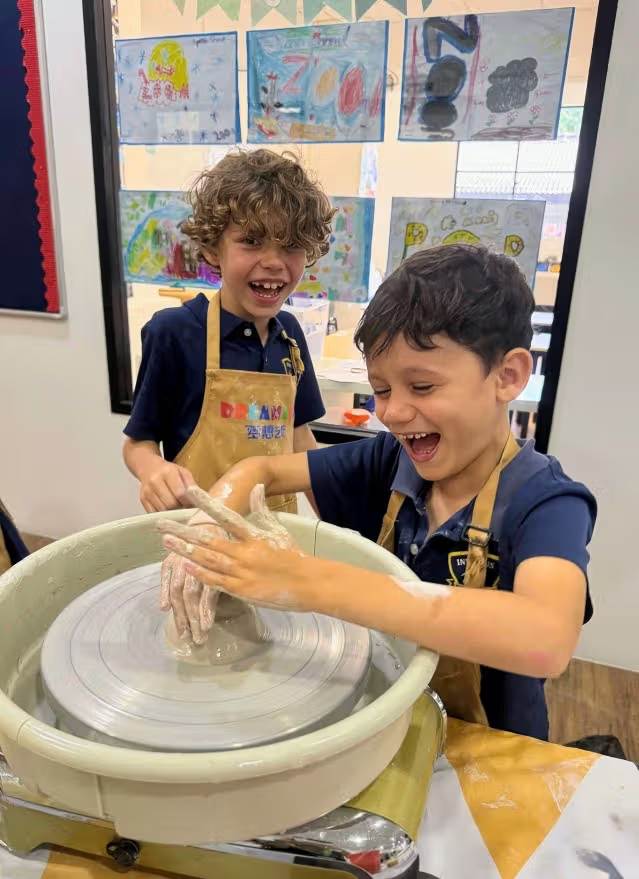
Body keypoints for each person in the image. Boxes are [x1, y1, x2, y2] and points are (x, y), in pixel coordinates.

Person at [158, 244, 597, 740]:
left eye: (423, 387)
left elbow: (547, 638)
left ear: (508, 376)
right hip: (389, 722)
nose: (392, 413)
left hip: (492, 746)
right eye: (382, 389)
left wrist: (308, 582)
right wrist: (209, 520)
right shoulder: (386, 459)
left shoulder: (547, 502)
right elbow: (261, 469)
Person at [123, 148, 333, 517]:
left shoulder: (290, 335)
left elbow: (300, 439)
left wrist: (336, 523)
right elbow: (137, 444)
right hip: (198, 532)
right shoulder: (174, 333)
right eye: (251, 241)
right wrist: (153, 471)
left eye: (290, 245)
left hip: (279, 532)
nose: (272, 261)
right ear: (212, 247)